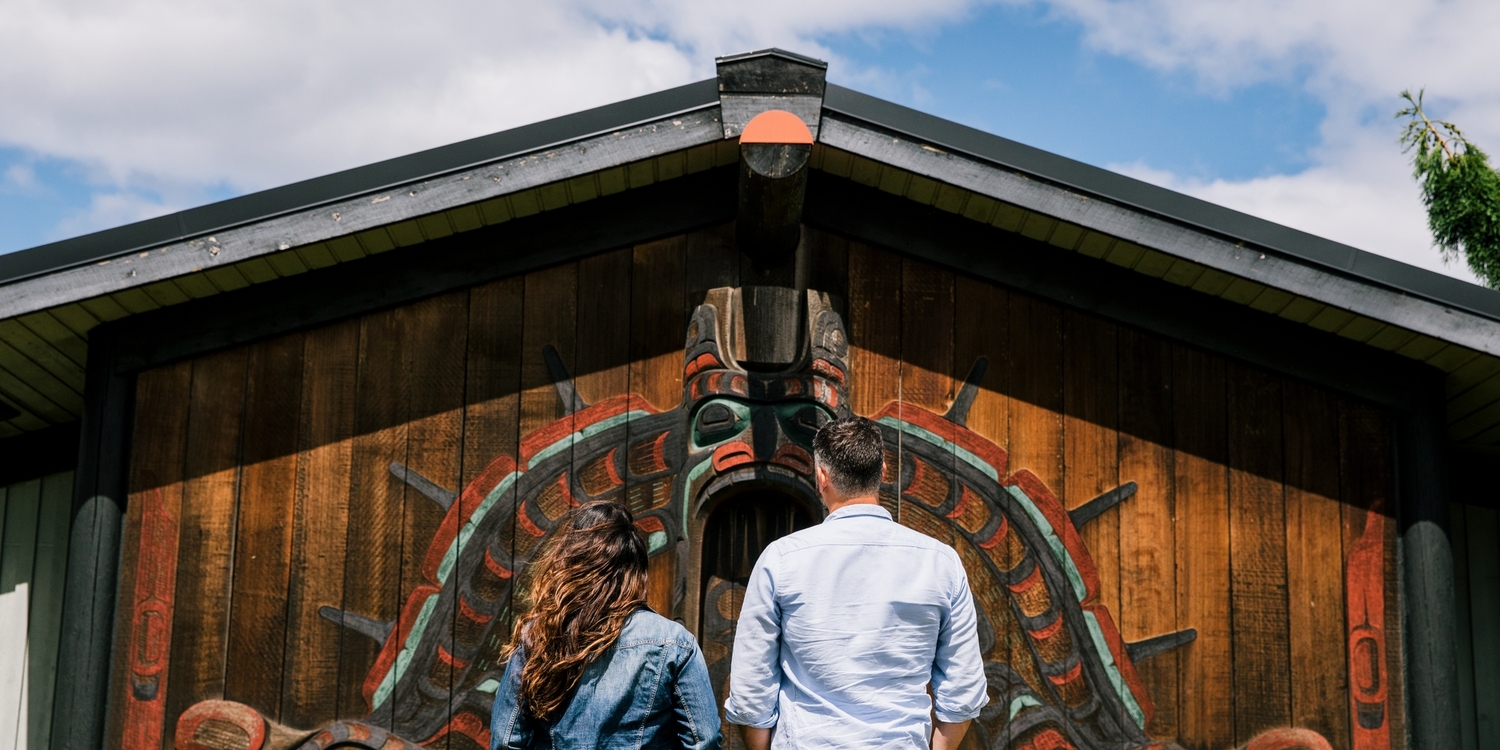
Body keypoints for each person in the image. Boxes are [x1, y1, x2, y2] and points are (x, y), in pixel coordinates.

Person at [724, 416, 988, 750]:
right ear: (883, 472)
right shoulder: (941, 562)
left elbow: (751, 691)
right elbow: (963, 690)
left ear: (822, 477)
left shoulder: (780, 561)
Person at [490, 501, 722, 750]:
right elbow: (704, 741)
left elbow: (507, 741)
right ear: (637, 572)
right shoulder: (674, 643)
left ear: (569, 565)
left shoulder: (538, 637)